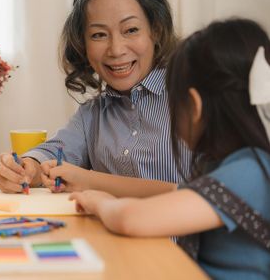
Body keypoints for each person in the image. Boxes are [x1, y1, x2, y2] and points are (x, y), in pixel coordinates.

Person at [70, 18, 270, 279]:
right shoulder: (228, 165)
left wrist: (99, 201)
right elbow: (170, 193)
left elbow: (132, 219)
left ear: (194, 107)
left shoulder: (251, 171)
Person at [0, 0, 191, 195]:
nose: (116, 49)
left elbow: (203, 196)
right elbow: (55, 151)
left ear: (155, 30)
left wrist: (90, 181)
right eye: (98, 35)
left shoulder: (193, 99)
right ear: (82, 44)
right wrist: (27, 168)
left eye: (131, 30)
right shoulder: (92, 115)